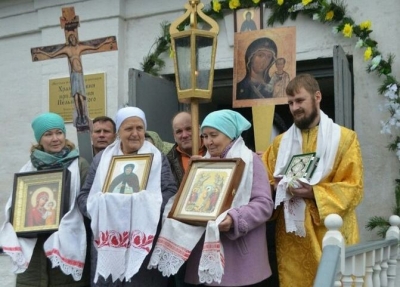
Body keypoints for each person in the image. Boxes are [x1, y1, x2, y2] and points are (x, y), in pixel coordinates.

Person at [149, 110, 275, 286]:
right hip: (205, 258)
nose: (208, 141)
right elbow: (192, 201)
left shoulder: (251, 161)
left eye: (214, 135)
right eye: (205, 136)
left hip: (240, 259)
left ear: (229, 134)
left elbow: (264, 204)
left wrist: (234, 219)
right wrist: (192, 176)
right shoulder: (203, 163)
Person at [262, 74, 364, 287]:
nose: (294, 107)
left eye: (300, 100)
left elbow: (353, 187)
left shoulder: (345, 138)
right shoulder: (280, 144)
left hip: (331, 233)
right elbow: (265, 180)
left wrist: (312, 192)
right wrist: (275, 187)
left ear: (317, 97)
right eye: (290, 103)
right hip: (293, 240)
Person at [76, 106, 177, 286]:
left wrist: (141, 206)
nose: (135, 133)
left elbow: (170, 193)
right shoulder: (102, 159)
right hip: (108, 241)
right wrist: (104, 206)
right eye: (128, 128)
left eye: (139, 128)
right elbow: (84, 196)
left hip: (144, 242)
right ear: (118, 133)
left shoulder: (157, 158)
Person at [0, 112, 90, 287]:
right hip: (35, 250)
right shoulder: (28, 169)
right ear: (39, 139)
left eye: (59, 132)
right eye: (48, 134)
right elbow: (16, 208)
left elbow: (87, 205)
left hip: (67, 247)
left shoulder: (80, 165)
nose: (55, 138)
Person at [167, 111, 207, 186]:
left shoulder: (213, 152)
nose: (184, 135)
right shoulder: (168, 162)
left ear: (199, 130)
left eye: (188, 129)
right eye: (179, 131)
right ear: (174, 136)